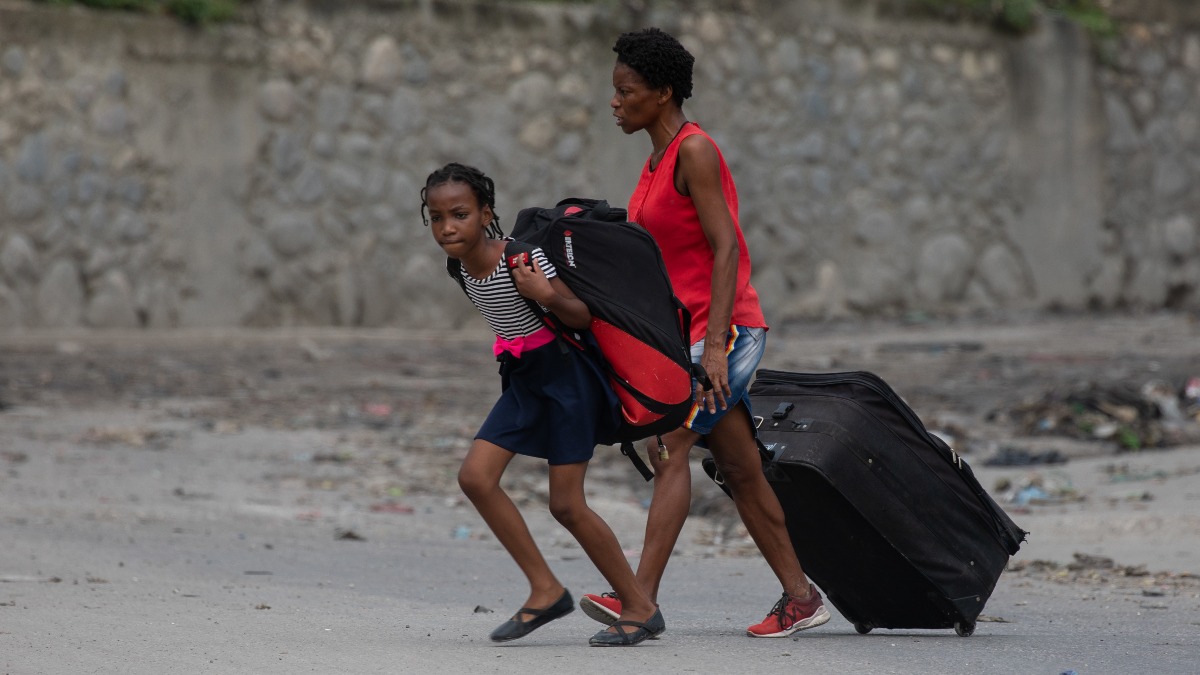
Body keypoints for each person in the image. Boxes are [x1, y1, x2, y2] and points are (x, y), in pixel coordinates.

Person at [579, 28, 831, 638]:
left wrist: (716, 346)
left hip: (728, 332)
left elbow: (726, 251)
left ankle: (637, 601)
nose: (614, 102)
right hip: (684, 335)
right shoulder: (655, 161)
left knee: (672, 448)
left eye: (626, 91)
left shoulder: (696, 151)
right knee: (742, 469)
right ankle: (801, 598)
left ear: (663, 93)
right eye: (614, 91)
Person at [421, 162, 664, 647]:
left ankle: (639, 606)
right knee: (475, 477)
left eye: (460, 214)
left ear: (486, 213)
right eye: (436, 217)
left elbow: (580, 315)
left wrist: (543, 292)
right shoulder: (459, 267)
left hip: (567, 382)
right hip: (523, 381)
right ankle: (545, 589)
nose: (447, 227)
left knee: (566, 504)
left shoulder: (520, 258)